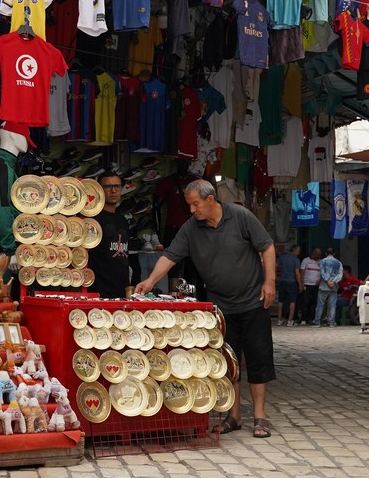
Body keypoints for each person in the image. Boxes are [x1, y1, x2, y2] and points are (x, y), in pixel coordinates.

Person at [134, 179, 277, 439]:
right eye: (189, 205)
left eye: (195, 204)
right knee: (227, 363)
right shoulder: (191, 228)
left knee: (259, 359)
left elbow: (267, 246)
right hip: (221, 306)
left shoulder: (240, 216)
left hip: (253, 301)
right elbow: (170, 256)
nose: (192, 210)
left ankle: (260, 416)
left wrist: (270, 282)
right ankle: (233, 416)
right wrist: (150, 281)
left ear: (210, 200)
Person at [87, 169, 131, 298]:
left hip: (121, 289)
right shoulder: (93, 220)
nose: (113, 190)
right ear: (99, 190)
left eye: (117, 186)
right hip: (99, 290)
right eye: (108, 186)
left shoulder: (122, 220)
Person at [276, 245, 302, 326]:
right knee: (292, 301)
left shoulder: (282, 258)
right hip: (292, 282)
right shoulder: (296, 260)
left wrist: (276, 276)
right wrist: (300, 285)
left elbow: (276, 266)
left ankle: (279, 320)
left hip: (282, 281)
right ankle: (290, 321)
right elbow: (297, 273)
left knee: (280, 301)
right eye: (298, 251)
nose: (299, 253)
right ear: (294, 251)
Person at [317, 247, 343, 326]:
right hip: (333, 287)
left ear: (326, 253)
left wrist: (327, 280)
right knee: (332, 305)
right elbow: (340, 274)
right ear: (334, 253)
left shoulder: (322, 261)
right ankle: (331, 322)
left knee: (320, 304)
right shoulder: (338, 262)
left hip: (324, 286)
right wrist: (333, 281)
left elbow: (322, 272)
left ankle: (317, 322)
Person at [298, 246, 322, 325]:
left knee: (314, 302)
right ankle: (304, 319)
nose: (318, 256)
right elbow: (301, 272)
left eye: (319, 255)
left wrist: (320, 281)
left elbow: (322, 273)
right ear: (313, 253)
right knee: (305, 302)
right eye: (317, 254)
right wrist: (301, 284)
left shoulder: (320, 262)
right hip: (307, 284)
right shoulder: (306, 260)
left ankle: (311, 318)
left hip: (316, 285)